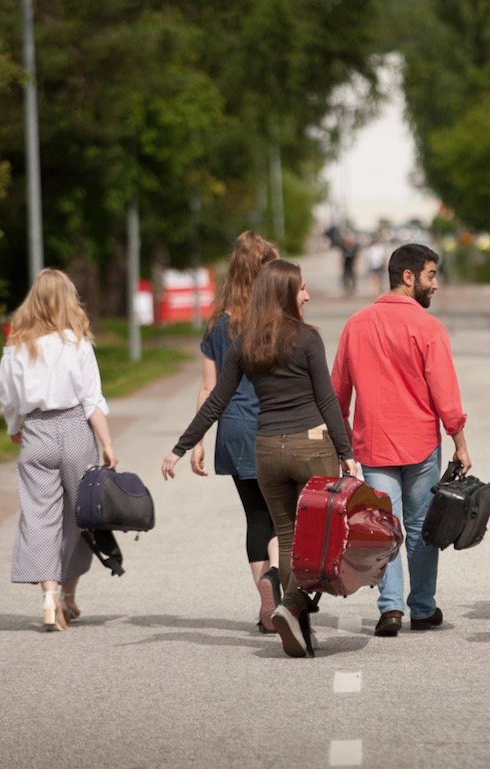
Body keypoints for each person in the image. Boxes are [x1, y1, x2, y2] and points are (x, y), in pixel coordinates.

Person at [162, 260, 358, 659]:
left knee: (286, 538)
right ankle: (296, 607)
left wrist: (181, 447)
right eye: (302, 288)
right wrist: (347, 452)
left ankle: (296, 620)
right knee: (317, 541)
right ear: (287, 293)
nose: (306, 295)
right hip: (309, 448)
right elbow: (325, 400)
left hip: (267, 449)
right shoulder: (307, 338)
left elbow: (217, 399)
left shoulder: (246, 343)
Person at [331, 243, 471, 638]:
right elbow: (446, 394)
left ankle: (390, 609)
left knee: (383, 527)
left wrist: (343, 446)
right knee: (422, 526)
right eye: (430, 275)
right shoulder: (428, 328)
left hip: (373, 445)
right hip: (421, 444)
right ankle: (422, 608)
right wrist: (460, 442)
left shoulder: (356, 324)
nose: (436, 285)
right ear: (407, 277)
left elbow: (337, 393)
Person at [0, 268, 117, 632]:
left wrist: (15, 427)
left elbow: (9, 397)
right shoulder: (77, 343)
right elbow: (91, 399)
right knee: (81, 516)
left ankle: (50, 599)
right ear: (68, 300)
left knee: (39, 516)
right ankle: (67, 593)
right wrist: (108, 444)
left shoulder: (16, 348)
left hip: (37, 432)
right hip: (75, 428)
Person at [190, 231, 281, 633]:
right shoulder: (275, 322)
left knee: (256, 518)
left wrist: (195, 441)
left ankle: (264, 599)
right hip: (273, 426)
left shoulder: (218, 323)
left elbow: (208, 387)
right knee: (286, 518)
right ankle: (276, 585)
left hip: (232, 429)